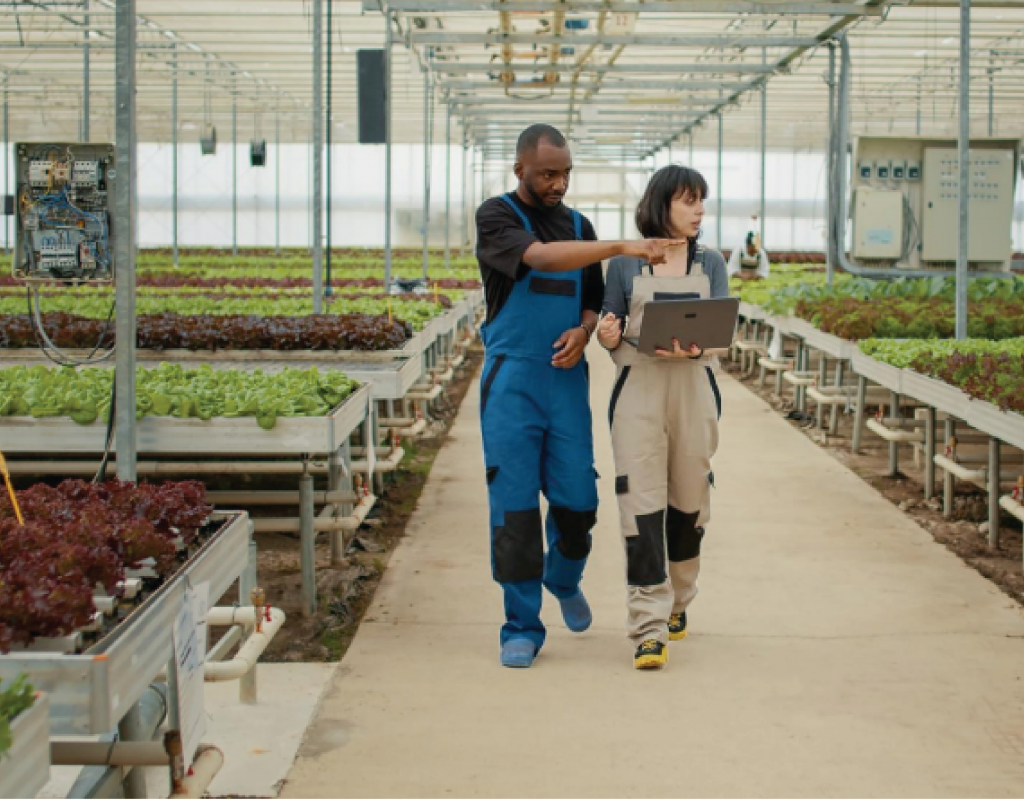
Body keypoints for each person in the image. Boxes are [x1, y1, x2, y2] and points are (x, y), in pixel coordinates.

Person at [475, 124, 682, 669]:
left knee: (579, 504)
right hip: (512, 380)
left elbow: (591, 298)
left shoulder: (578, 226)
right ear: (519, 170)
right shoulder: (496, 217)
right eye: (547, 173)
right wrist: (620, 245)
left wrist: (585, 330)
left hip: (564, 383)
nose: (558, 183)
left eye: (565, 172)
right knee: (514, 509)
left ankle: (562, 576)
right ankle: (521, 625)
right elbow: (540, 259)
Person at [596, 164, 731, 670]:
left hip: (694, 389)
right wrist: (609, 335)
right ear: (661, 204)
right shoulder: (626, 264)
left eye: (702, 201)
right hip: (640, 390)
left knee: (689, 505)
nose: (699, 210)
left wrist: (702, 343)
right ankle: (647, 628)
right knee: (641, 505)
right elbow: (610, 324)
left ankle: (679, 600)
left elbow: (722, 327)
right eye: (689, 200)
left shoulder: (711, 261)